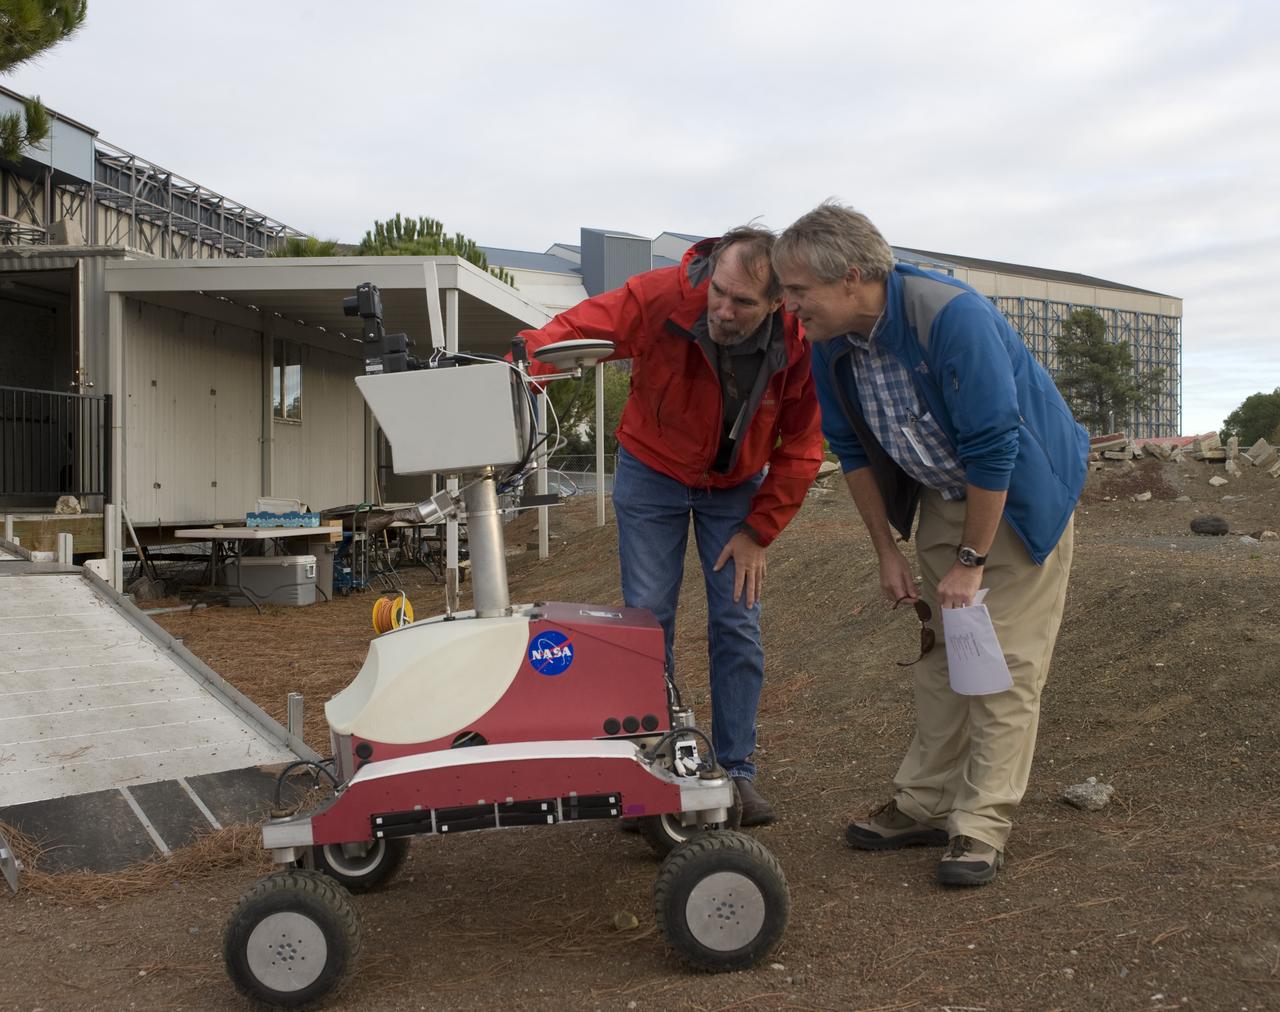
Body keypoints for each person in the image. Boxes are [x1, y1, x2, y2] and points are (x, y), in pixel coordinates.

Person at [773, 202, 1088, 884]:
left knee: (1003, 664)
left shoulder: (953, 317)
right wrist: (887, 549)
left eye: (799, 292)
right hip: (948, 495)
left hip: (1019, 495)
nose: (789, 305)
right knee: (947, 657)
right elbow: (851, 449)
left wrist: (972, 563)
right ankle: (925, 804)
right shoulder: (829, 342)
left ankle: (981, 827)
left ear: (851, 277)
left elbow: (993, 444)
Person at [518, 226, 824, 825]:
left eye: (742, 303)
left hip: (735, 486)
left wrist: (759, 530)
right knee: (647, 618)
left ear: (777, 303)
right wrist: (526, 354)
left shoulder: (799, 344)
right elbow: (592, 322)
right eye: (720, 292)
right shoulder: (665, 296)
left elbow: (805, 440)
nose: (723, 308)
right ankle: (653, 767)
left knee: (737, 621)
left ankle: (737, 772)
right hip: (652, 469)